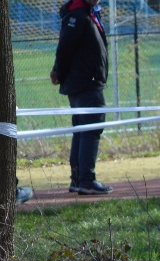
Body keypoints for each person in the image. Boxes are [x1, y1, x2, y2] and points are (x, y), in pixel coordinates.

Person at [49, 0, 111, 195]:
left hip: (85, 81)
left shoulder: (87, 14)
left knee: (82, 129)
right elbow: (65, 47)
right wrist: (58, 70)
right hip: (85, 83)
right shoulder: (78, 16)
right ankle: (86, 179)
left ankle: (79, 180)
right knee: (90, 129)